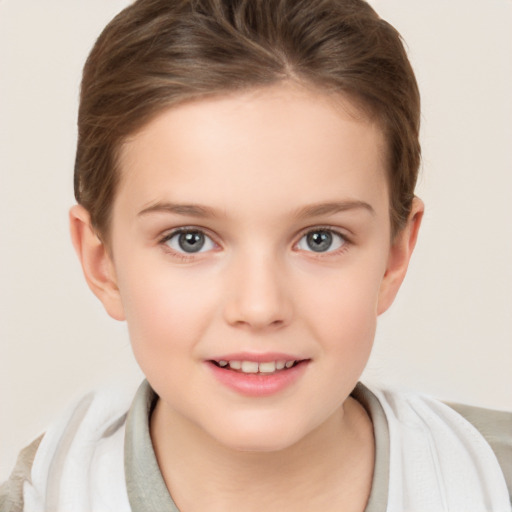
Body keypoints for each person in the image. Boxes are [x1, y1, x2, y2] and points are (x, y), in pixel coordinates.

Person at [1, 0, 510, 511]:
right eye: (190, 239)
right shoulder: (43, 496)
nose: (260, 306)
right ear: (101, 262)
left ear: (394, 255)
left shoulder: (491, 479)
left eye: (320, 239)